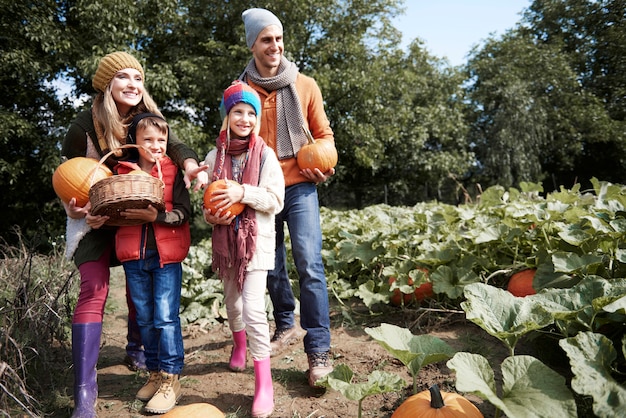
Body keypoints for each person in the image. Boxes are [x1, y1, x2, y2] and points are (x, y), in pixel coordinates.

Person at [60, 51, 207, 418]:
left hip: (144, 221)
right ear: (107, 84)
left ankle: (146, 358)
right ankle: (84, 392)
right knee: (96, 290)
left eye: (138, 77)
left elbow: (174, 147)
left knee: (149, 300)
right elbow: (67, 176)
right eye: (122, 77)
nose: (132, 84)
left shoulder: (146, 123)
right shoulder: (83, 127)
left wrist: (190, 165)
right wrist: (74, 207)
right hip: (95, 216)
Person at [239, 8, 337, 387]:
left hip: (299, 185)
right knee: (270, 264)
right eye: (267, 39)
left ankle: (319, 350)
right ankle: (285, 324)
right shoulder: (241, 91)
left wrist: (323, 164)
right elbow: (231, 139)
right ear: (253, 44)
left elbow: (324, 136)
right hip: (261, 189)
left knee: (309, 263)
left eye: (279, 39)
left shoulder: (305, 85)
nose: (275, 46)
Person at [200, 81, 284, 418]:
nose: (245, 118)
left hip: (257, 244)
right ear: (227, 116)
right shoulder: (212, 156)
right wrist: (209, 215)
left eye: (251, 113)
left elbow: (274, 200)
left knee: (252, 309)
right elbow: (208, 204)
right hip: (227, 246)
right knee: (232, 304)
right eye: (238, 111)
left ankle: (264, 382)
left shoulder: (266, 155)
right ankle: (238, 345)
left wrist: (242, 193)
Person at [114, 113, 190, 414]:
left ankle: (172, 379)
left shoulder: (173, 171)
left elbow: (184, 213)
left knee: (165, 317)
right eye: (148, 140)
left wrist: (156, 217)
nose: (157, 145)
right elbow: (112, 212)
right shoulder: (122, 173)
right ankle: (155, 373)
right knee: (143, 317)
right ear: (135, 142)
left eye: (162, 140)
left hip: (166, 257)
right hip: (133, 255)